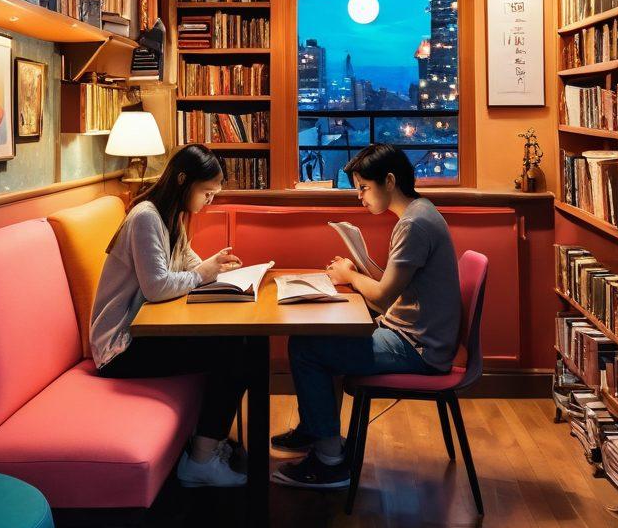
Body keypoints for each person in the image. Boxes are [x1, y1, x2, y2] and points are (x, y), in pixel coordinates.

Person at [272, 143, 461, 489]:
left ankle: (329, 461)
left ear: (389, 180)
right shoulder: (420, 212)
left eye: (363, 188)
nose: (359, 197)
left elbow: (384, 297)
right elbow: (395, 288)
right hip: (414, 336)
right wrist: (357, 272)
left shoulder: (414, 224)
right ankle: (316, 431)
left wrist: (349, 276)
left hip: (418, 348)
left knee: (306, 348)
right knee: (319, 339)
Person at [90, 143, 248, 488]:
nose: (210, 201)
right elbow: (157, 287)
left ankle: (208, 443)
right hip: (120, 346)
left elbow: (188, 262)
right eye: (207, 193)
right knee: (234, 350)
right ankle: (200, 461)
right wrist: (204, 274)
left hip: (146, 331)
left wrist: (217, 268)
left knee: (238, 342)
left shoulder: (170, 215)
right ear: (182, 180)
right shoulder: (146, 217)